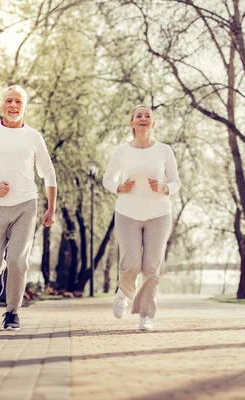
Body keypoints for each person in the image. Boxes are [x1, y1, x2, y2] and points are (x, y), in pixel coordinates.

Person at [0, 85, 57, 331]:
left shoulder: (33, 136)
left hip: (26, 205)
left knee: (19, 260)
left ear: (25, 107)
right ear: (2, 105)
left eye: (18, 102)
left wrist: (51, 208)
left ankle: (12, 312)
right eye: (9, 101)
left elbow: (48, 172)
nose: (13, 105)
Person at [102, 104, 181, 331]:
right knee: (132, 263)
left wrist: (165, 188)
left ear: (153, 124)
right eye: (139, 116)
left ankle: (146, 315)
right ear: (132, 123)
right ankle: (123, 292)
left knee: (152, 268)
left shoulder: (164, 150)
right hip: (127, 212)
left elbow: (176, 182)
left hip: (159, 213)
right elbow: (108, 179)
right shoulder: (121, 151)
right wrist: (120, 187)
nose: (143, 118)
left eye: (148, 116)